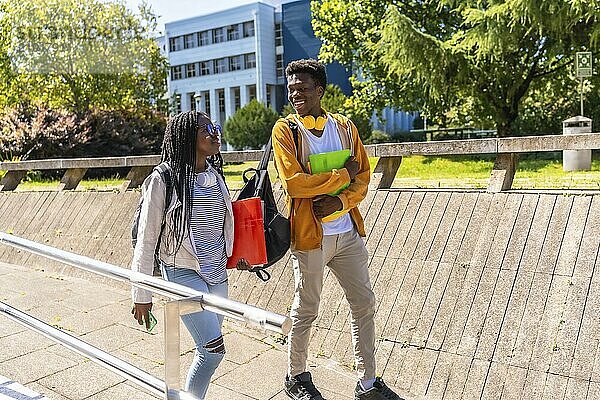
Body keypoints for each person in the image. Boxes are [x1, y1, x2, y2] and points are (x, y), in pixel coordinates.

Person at [272, 59, 403, 400]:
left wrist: (340, 203)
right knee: (307, 308)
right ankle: (296, 375)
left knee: (364, 303)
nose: (295, 93)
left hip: (347, 233)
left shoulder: (344, 126)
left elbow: (363, 177)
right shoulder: (285, 131)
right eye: (291, 88)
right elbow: (295, 184)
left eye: (302, 88)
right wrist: (340, 176)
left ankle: (368, 382)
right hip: (310, 237)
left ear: (320, 90)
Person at [130, 110, 250, 399]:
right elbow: (146, 240)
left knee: (207, 349)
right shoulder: (164, 179)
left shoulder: (214, 175)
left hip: (217, 272)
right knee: (213, 350)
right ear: (186, 136)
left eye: (214, 126)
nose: (214, 132)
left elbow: (222, 227)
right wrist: (141, 294)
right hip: (182, 271)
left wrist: (236, 255)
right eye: (205, 129)